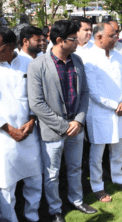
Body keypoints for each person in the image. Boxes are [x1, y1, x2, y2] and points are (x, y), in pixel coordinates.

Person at [27, 20, 97, 222]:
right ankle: (55, 209)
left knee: (76, 168)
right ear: (59, 41)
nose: (77, 42)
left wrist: (79, 121)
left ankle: (76, 200)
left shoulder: (77, 60)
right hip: (53, 130)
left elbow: (84, 93)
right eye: (73, 39)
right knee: (52, 174)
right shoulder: (37, 65)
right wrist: (65, 126)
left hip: (76, 127)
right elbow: (37, 104)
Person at [81, 23, 122, 203]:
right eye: (112, 35)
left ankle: (118, 178)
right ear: (99, 37)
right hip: (100, 113)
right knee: (97, 154)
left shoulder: (118, 55)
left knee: (119, 149)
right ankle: (97, 186)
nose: (116, 38)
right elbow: (93, 91)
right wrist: (115, 105)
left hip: (121, 110)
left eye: (116, 35)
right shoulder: (88, 58)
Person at [0, 28, 42, 222]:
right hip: (4, 136)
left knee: (34, 179)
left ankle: (32, 217)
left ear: (10, 47)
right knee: (5, 185)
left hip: (29, 132)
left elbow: (37, 95)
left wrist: (33, 119)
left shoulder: (28, 63)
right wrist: (8, 129)